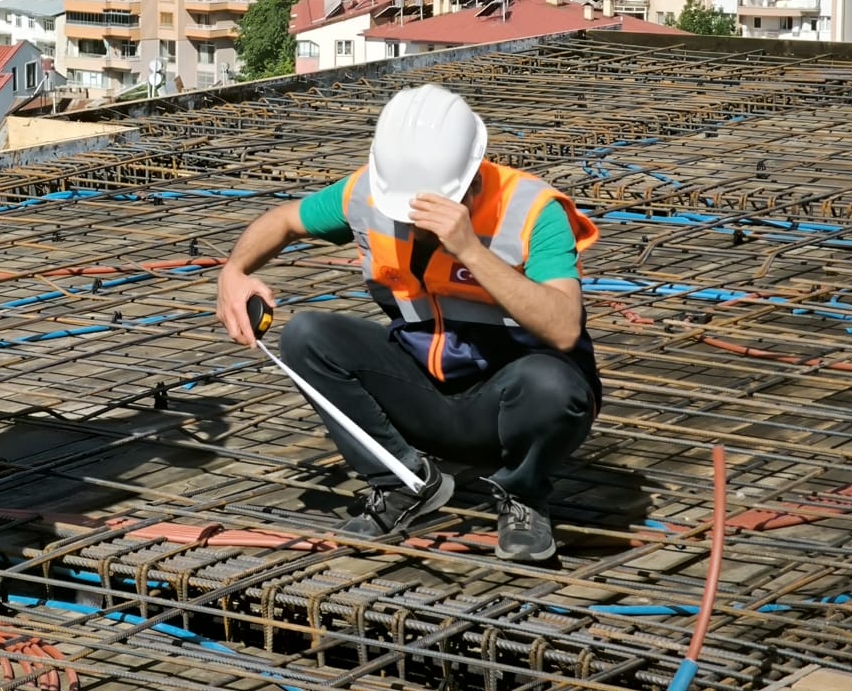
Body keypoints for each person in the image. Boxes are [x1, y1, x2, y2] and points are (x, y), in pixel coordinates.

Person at [214, 84, 600, 563]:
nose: (411, 222)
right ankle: (403, 481)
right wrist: (234, 272)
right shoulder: (369, 193)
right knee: (307, 335)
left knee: (554, 384)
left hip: (508, 405)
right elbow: (287, 219)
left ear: (471, 178)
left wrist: (471, 251)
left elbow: (564, 327)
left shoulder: (532, 211)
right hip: (424, 389)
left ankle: (523, 496)